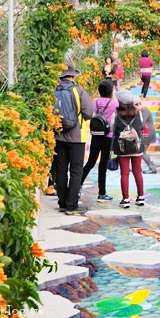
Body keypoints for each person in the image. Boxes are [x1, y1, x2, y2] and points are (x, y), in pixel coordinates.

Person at [54, 64, 94, 215]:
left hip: (58, 136)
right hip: (77, 137)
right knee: (76, 171)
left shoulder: (54, 91)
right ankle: (71, 205)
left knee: (61, 170)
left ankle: (62, 203)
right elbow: (89, 113)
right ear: (72, 76)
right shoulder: (79, 91)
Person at [81, 80, 118, 201]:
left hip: (96, 135)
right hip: (108, 137)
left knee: (91, 162)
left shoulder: (96, 101)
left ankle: (77, 185)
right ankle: (102, 193)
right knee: (103, 164)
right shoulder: (114, 102)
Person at [113, 89, 145, 208]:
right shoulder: (138, 113)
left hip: (122, 148)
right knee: (137, 171)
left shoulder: (116, 114)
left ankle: (126, 199)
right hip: (137, 146)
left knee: (124, 173)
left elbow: (113, 129)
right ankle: (141, 197)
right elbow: (141, 126)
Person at [136, 98, 157, 174]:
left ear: (138, 104)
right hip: (145, 134)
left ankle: (152, 167)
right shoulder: (140, 111)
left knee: (142, 152)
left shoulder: (144, 110)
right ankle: (149, 166)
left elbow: (142, 123)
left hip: (147, 134)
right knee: (142, 151)